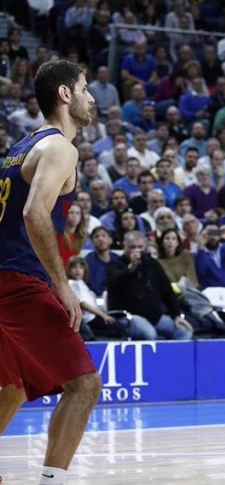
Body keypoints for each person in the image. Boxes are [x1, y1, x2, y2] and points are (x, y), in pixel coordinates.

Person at [0, 59, 101, 485]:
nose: (91, 97)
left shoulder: (18, 148)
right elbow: (34, 213)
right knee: (84, 384)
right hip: (19, 281)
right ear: (65, 95)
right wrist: (63, 285)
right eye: (84, 87)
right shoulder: (61, 147)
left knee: (13, 388)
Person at [106, 231, 193, 341]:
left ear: (145, 247)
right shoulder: (115, 264)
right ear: (125, 247)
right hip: (127, 316)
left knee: (184, 331)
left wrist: (177, 315)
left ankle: (172, 358)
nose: (136, 250)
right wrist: (130, 269)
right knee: (150, 334)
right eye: (132, 247)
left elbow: (167, 291)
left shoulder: (152, 264)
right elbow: (111, 282)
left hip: (155, 317)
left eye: (140, 247)